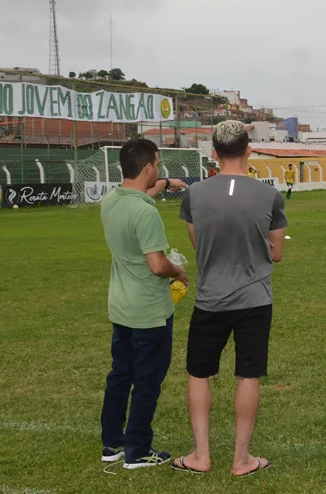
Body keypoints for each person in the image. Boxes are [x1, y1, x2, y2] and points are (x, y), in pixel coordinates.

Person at [175, 120, 287, 477]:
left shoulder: (194, 194)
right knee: (248, 376)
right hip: (255, 298)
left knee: (198, 373)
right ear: (248, 150)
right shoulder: (269, 195)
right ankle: (241, 459)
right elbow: (277, 253)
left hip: (211, 299)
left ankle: (201, 455)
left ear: (214, 153)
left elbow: (198, 244)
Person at [99, 138, 189, 470]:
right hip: (149, 313)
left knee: (120, 375)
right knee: (147, 381)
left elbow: (140, 196)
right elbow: (156, 265)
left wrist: (167, 184)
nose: (160, 169)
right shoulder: (145, 212)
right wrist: (177, 270)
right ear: (148, 166)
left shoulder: (111, 200)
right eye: (159, 165)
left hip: (121, 308)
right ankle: (138, 450)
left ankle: (112, 442)